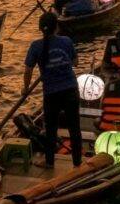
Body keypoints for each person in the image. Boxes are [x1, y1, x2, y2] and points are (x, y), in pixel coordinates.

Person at [23, 13, 81, 168]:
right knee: (74, 128)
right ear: (57, 27)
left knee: (51, 129)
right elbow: (75, 62)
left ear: (41, 29)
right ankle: (77, 163)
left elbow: (28, 70)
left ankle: (49, 162)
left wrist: (26, 89)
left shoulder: (36, 46)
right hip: (70, 90)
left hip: (51, 93)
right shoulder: (66, 41)